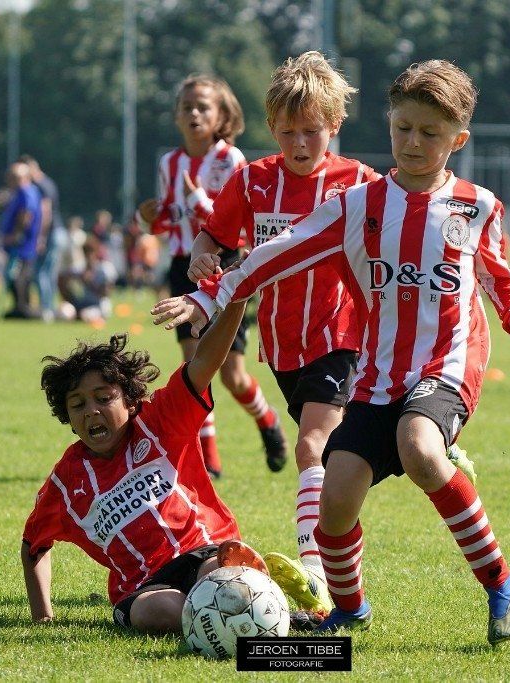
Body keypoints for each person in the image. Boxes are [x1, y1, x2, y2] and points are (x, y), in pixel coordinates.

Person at [152, 60, 510, 643]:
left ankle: (504, 588)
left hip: (445, 363)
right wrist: (209, 294)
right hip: (377, 372)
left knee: (418, 448)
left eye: (430, 133)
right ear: (389, 125)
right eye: (403, 128)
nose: (413, 142)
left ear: (458, 140)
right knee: (335, 499)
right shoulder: (359, 203)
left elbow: (501, 280)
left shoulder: (477, 205)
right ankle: (349, 608)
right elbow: (280, 250)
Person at [186, 51, 380, 616]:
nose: (299, 144)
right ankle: (343, 570)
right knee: (331, 459)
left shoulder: (359, 184)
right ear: (272, 128)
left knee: (311, 446)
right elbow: (213, 236)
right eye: (288, 132)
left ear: (334, 126)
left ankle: (315, 572)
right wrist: (202, 256)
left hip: (340, 337)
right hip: (280, 347)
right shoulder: (252, 182)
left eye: (311, 131)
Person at [22, 300, 285, 634]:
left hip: (201, 551)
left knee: (220, 576)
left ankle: (264, 609)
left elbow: (204, 361)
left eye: (104, 398)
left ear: (131, 400)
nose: (91, 411)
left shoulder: (160, 421)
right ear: (69, 418)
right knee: (158, 611)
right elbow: (33, 546)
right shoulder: (66, 482)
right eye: (78, 405)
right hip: (143, 586)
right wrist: (42, 617)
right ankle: (235, 612)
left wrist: (237, 300)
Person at [135, 74, 286, 478]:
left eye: (203, 107)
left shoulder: (230, 160)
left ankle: (267, 420)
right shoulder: (168, 163)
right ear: (176, 116)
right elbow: (169, 220)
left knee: (232, 374)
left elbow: (233, 222)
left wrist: (197, 198)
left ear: (222, 116)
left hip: (226, 265)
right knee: (194, 365)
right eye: (187, 107)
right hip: (183, 265)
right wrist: (148, 219)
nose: (194, 114)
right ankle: (209, 459)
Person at [20, 155, 67, 322]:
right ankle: (50, 308)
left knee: (40, 272)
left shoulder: (40, 185)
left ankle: (46, 309)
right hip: (58, 232)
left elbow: (45, 212)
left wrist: (40, 237)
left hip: (50, 233)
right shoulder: (49, 182)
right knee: (48, 273)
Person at [0, 161, 43, 319]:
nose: (10, 180)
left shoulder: (26, 192)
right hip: (22, 243)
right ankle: (20, 307)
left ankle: (23, 307)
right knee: (18, 275)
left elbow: (26, 214)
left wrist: (16, 234)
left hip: (22, 243)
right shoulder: (21, 192)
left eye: (14, 177)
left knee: (18, 276)